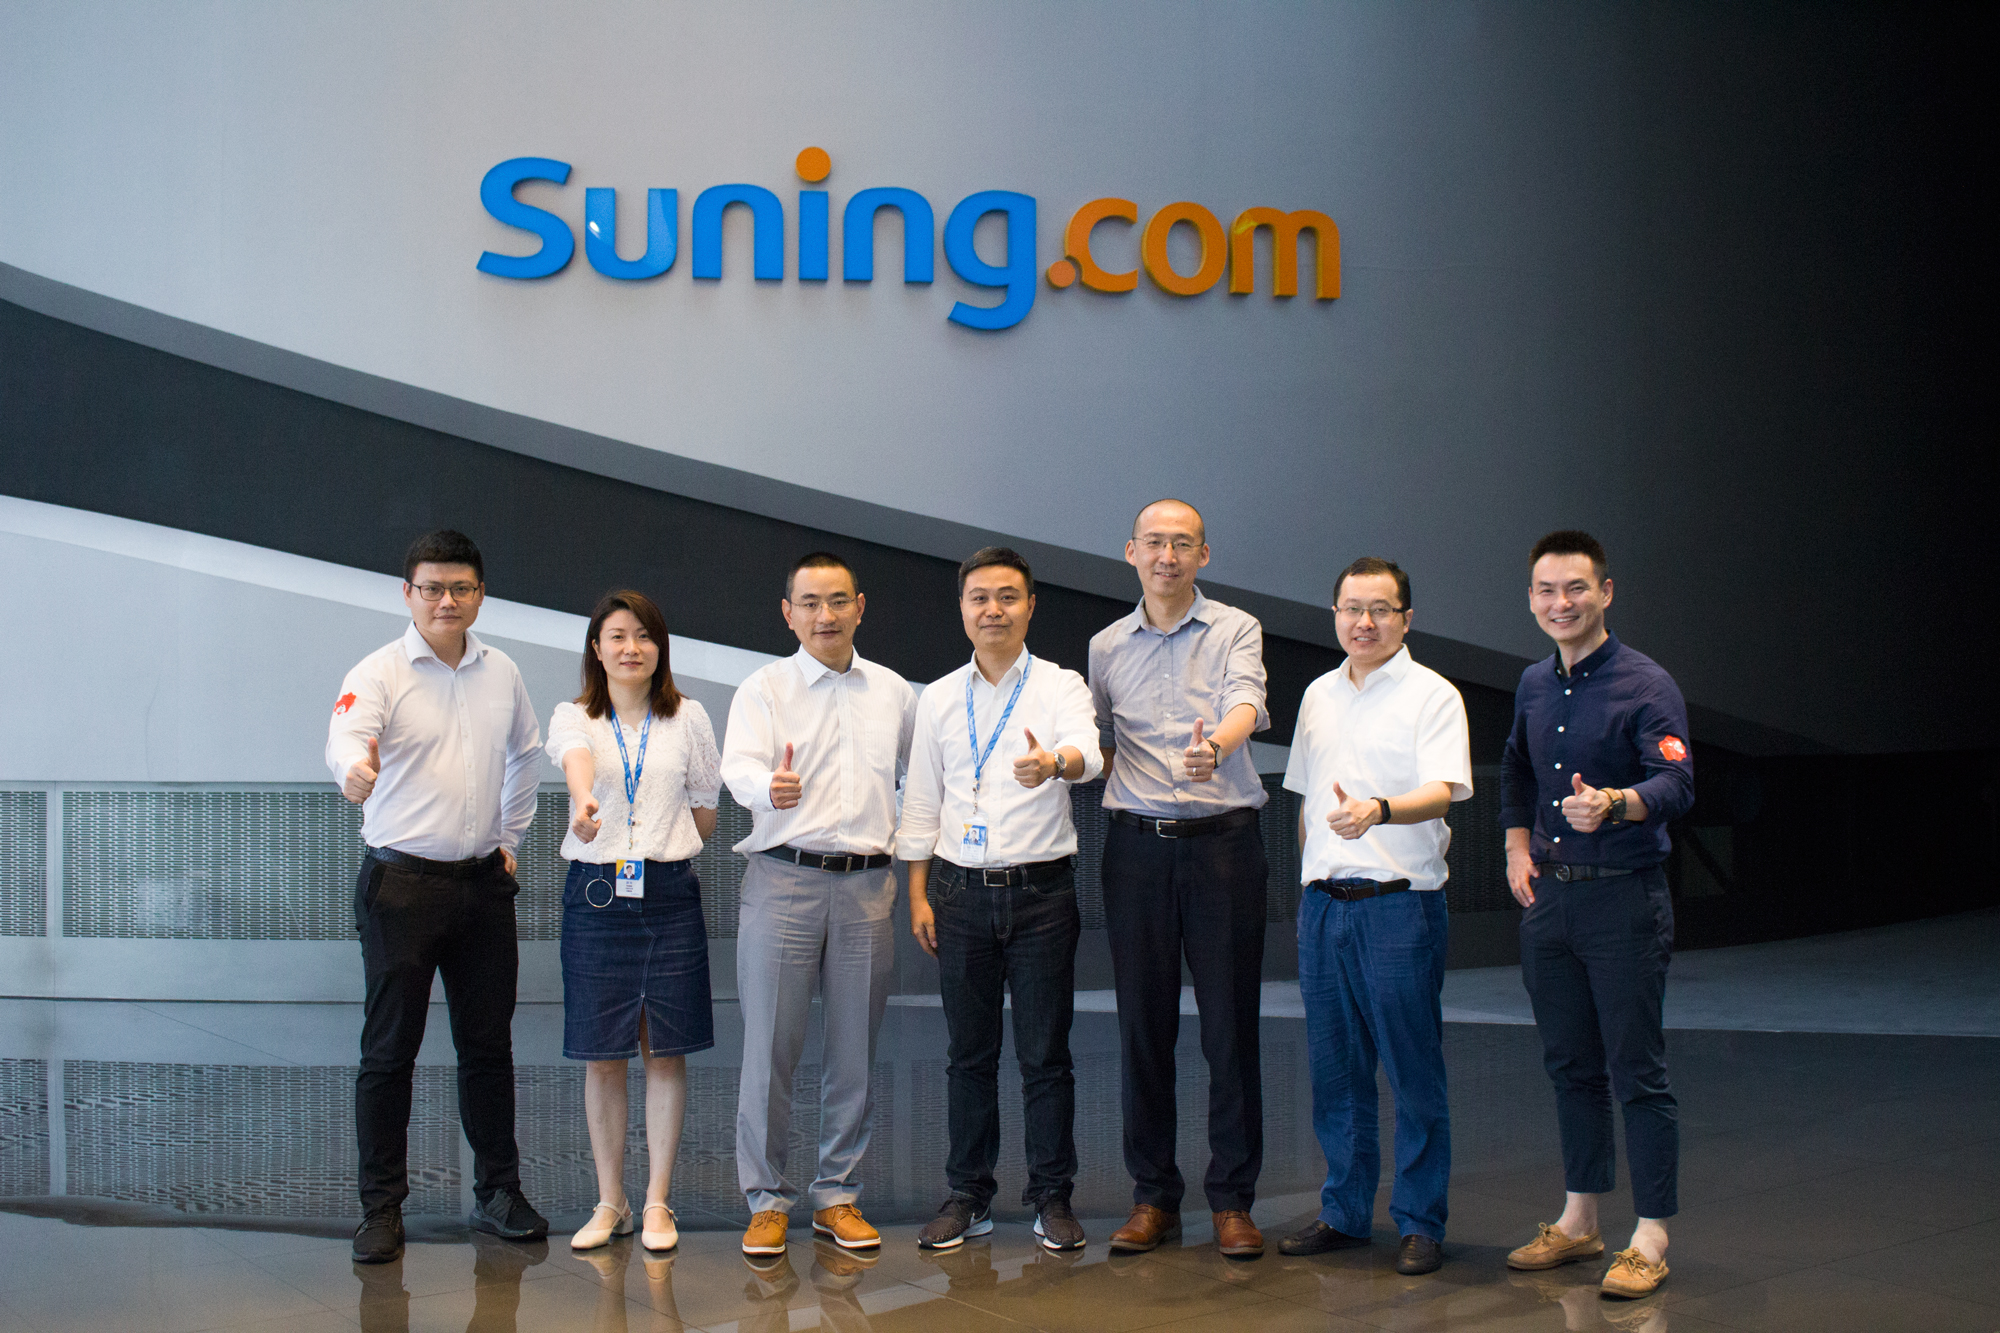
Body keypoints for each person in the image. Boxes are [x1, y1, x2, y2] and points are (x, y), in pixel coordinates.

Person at [326, 529, 548, 1263]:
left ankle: (499, 1194)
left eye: (461, 588)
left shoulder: (501, 671)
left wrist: (509, 833)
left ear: (480, 595)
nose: (446, 601)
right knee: (389, 1051)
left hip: (482, 886)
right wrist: (354, 772)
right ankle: (381, 1208)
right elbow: (346, 739)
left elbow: (526, 753)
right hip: (401, 887)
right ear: (408, 594)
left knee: (487, 1047)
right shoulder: (379, 672)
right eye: (432, 588)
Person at [1500, 530, 1693, 1299]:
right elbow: (1516, 767)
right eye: (1547, 590)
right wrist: (1516, 847)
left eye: (1576, 588)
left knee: (1636, 1070)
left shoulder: (1647, 683)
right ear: (1531, 599)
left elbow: (1677, 784)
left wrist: (1616, 801)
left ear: (1605, 592)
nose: (1562, 603)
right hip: (1551, 899)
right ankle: (1580, 1219)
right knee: (1570, 1066)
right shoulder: (1532, 682)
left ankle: (1651, 1235)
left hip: (1624, 897)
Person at [1085, 498, 1274, 1257]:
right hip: (1135, 850)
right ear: (1131, 550)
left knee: (1230, 1027)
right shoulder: (1105, 646)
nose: (1168, 555)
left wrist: (1216, 747)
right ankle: (1153, 1196)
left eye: (1183, 543)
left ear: (1204, 554)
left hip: (1223, 846)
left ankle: (1232, 1199)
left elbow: (1246, 702)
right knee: (1142, 1026)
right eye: (1155, 542)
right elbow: (1099, 741)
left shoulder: (1235, 628)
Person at [900, 547, 1102, 1252]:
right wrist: (918, 893)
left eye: (1008, 596)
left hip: (1042, 893)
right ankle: (969, 1194)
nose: (994, 609)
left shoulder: (1060, 684)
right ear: (962, 608)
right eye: (980, 597)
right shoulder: (937, 697)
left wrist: (1054, 762)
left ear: (1030, 605)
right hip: (958, 893)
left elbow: (1089, 753)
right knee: (969, 1055)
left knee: (1046, 1054)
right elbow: (922, 801)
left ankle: (1052, 1196)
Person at [1277, 557, 1472, 1276]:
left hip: (1399, 906)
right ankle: (1345, 1210)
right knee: (1336, 1071)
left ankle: (1420, 1220)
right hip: (1325, 906)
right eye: (1351, 608)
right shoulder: (1318, 694)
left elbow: (1444, 791)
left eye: (1380, 609)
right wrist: (1312, 875)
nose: (1365, 622)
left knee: (1412, 1069)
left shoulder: (1433, 694)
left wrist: (1379, 811)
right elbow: (1306, 798)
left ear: (1406, 618)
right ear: (1334, 614)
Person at [722, 553, 918, 1257]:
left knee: (854, 1050)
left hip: (869, 884)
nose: (824, 615)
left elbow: (920, 777)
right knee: (769, 1048)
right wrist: (764, 787)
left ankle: (837, 1195)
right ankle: (766, 1200)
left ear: (860, 607)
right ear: (788, 613)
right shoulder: (764, 688)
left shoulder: (894, 692)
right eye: (809, 603)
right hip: (785, 878)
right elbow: (737, 765)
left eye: (838, 601)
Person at [547, 590, 722, 1254]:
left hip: (670, 895)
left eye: (644, 635)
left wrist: (662, 838)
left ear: (660, 647)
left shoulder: (689, 717)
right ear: (597, 648)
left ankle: (656, 1202)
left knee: (666, 1052)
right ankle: (609, 1200)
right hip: (597, 898)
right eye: (617, 635)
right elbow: (576, 758)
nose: (631, 647)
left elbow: (704, 808)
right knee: (602, 1057)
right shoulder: (574, 716)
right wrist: (584, 800)